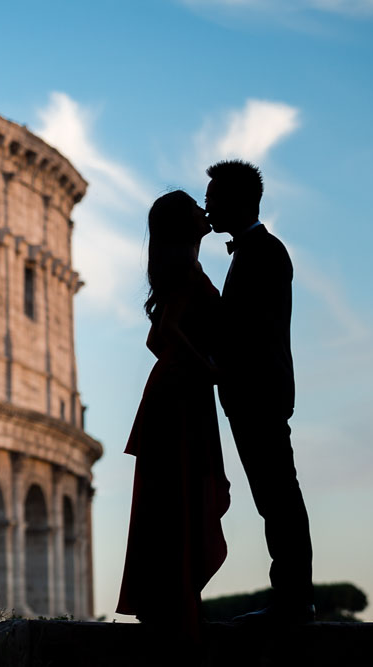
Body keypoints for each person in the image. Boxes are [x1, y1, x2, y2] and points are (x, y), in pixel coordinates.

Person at [116, 190, 231, 639]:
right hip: (182, 392)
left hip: (175, 388)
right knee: (180, 492)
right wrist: (209, 369)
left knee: (170, 495)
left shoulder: (179, 266)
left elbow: (154, 340)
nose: (205, 213)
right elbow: (164, 331)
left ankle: (168, 601)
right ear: (184, 225)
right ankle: (177, 604)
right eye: (195, 210)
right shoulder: (186, 267)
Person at [205, 159, 315, 624]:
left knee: (279, 497)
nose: (206, 206)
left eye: (213, 198)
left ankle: (292, 600)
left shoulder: (264, 253)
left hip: (259, 394)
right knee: (274, 497)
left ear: (235, 201)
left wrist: (216, 363)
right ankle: (292, 597)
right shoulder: (255, 252)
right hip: (252, 393)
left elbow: (253, 332)